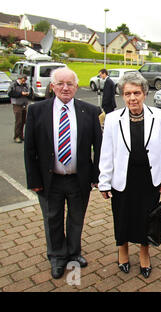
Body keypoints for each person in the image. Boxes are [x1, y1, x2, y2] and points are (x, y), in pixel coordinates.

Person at [24, 68, 102, 279]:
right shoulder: (37, 110)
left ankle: (74, 252)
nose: (65, 88)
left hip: (79, 179)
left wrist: (96, 176)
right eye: (60, 83)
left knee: (77, 218)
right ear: (52, 86)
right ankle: (57, 256)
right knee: (53, 219)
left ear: (76, 87)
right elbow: (29, 149)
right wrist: (34, 180)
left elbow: (99, 146)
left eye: (70, 84)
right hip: (49, 180)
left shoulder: (90, 111)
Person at [98, 72, 161, 278]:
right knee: (122, 217)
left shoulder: (158, 116)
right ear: (122, 95)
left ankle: (144, 253)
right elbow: (106, 153)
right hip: (122, 179)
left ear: (144, 93)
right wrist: (104, 182)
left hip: (149, 179)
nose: (132, 98)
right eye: (127, 93)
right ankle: (122, 251)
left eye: (137, 93)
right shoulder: (113, 119)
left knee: (146, 219)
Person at [8, 74, 29, 143]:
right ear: (20, 78)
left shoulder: (25, 85)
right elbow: (10, 93)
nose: (24, 82)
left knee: (23, 121)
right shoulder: (14, 84)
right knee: (18, 121)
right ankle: (16, 137)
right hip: (17, 104)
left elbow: (28, 90)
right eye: (23, 80)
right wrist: (21, 93)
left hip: (24, 104)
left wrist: (28, 93)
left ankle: (21, 135)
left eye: (25, 80)